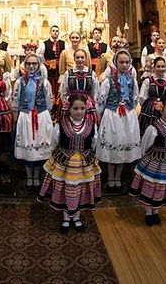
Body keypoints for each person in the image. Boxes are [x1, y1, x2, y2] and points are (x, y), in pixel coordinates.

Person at [38, 93, 101, 232]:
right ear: (69, 109)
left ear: (86, 109)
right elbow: (55, 142)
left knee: (81, 189)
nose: (79, 112)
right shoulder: (60, 124)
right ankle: (66, 217)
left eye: (83, 108)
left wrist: (88, 155)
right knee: (65, 189)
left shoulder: (92, 125)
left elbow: (94, 142)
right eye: (75, 108)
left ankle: (77, 216)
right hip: (65, 163)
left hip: (84, 162)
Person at [129, 97, 166, 226]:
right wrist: (145, 159)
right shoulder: (154, 127)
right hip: (155, 161)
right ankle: (148, 211)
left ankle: (156, 211)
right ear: (161, 109)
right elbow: (146, 145)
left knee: (164, 186)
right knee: (152, 186)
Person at [97, 50, 141, 193]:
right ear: (115, 63)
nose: (124, 65)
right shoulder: (108, 81)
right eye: (121, 62)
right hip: (112, 116)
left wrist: (130, 110)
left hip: (127, 117)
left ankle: (118, 177)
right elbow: (101, 100)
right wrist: (100, 115)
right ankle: (111, 178)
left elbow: (135, 98)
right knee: (113, 145)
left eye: (127, 62)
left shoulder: (132, 80)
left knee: (122, 146)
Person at [12, 53, 54, 189]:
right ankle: (29, 175)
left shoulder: (45, 82)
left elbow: (49, 101)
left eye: (34, 63)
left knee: (38, 145)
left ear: (38, 65)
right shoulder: (19, 82)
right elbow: (15, 101)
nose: (31, 66)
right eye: (28, 63)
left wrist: (41, 113)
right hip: (25, 117)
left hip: (40, 117)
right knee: (27, 145)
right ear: (25, 65)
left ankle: (36, 174)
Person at [60, 48, 99, 124]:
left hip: (87, 103)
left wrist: (94, 104)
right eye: (77, 57)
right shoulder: (68, 73)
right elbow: (64, 90)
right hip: (72, 102)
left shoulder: (91, 74)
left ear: (86, 59)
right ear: (74, 59)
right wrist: (65, 102)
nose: (80, 60)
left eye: (82, 57)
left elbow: (95, 91)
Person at [139, 56, 166, 136]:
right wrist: (149, 106)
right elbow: (142, 98)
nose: (161, 69)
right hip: (150, 110)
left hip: (165, 109)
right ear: (154, 67)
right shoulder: (148, 81)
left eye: (163, 66)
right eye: (158, 66)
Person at [37, 25, 65, 101]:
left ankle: (58, 103)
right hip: (49, 69)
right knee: (50, 85)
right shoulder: (44, 43)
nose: (55, 32)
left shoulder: (63, 43)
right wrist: (46, 63)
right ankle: (50, 102)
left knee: (59, 86)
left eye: (57, 31)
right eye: (53, 31)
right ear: (50, 32)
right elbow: (39, 56)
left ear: (59, 33)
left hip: (60, 68)